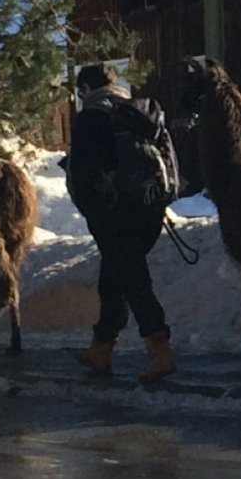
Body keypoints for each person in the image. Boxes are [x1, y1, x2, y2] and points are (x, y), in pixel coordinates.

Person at [65, 62, 178, 382]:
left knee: (134, 280)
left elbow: (83, 171)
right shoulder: (142, 112)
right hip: (150, 208)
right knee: (113, 279)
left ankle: (160, 351)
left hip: (115, 212)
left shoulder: (92, 116)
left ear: (85, 89)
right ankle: (101, 349)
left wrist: (92, 209)